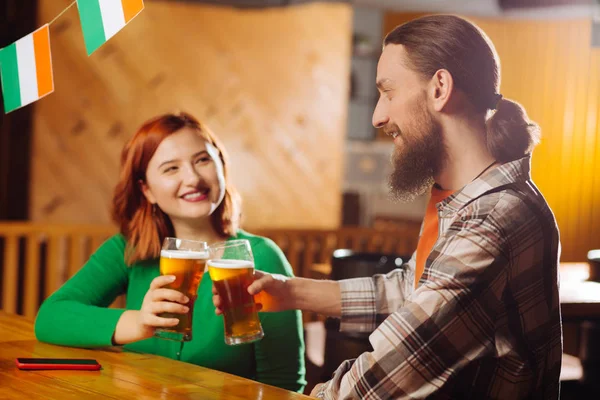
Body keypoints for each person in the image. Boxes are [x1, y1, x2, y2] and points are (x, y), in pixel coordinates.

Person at [213, 15, 561, 399]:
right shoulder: (474, 200)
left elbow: (397, 368)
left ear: (439, 88)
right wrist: (291, 292)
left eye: (389, 92)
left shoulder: (491, 219)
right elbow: (412, 290)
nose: (379, 116)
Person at [35, 112, 306, 393]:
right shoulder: (130, 248)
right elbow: (51, 317)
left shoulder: (260, 257)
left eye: (202, 160)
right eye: (171, 168)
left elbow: (284, 384)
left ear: (221, 167)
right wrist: (139, 322)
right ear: (147, 190)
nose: (192, 178)